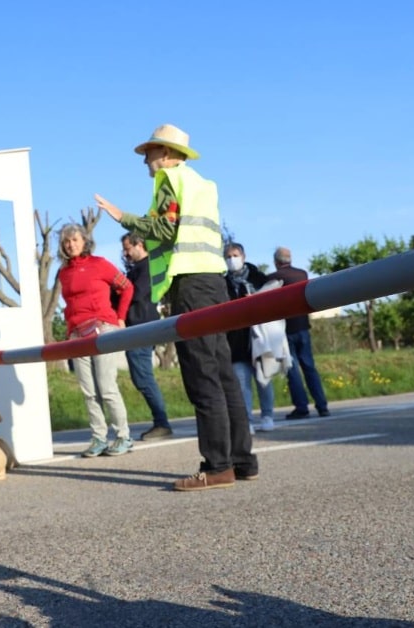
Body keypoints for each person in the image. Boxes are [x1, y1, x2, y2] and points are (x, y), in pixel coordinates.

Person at [96, 124, 257, 490]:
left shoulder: (168, 179)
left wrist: (123, 217)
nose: (146, 162)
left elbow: (165, 231)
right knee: (223, 373)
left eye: (150, 153)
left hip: (189, 283)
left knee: (202, 375)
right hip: (214, 280)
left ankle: (217, 466)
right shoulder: (203, 184)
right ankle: (243, 460)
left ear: (167, 155)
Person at [57, 223, 135, 457]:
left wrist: (120, 318)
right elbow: (70, 305)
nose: (71, 244)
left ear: (84, 241)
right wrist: (68, 331)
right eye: (67, 241)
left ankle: (123, 436)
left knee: (106, 386)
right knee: (88, 391)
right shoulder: (64, 272)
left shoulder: (99, 264)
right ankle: (99, 438)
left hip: (103, 328)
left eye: (75, 240)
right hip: (77, 334)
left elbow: (127, 287)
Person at [120, 233, 173, 441]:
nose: (125, 253)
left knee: (143, 377)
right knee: (140, 376)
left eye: (128, 248)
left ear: (139, 245)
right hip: (136, 328)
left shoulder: (148, 267)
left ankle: (162, 423)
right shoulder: (136, 269)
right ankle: (161, 421)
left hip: (143, 327)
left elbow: (136, 293)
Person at [223, 242, 277, 433]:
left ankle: (267, 415)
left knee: (264, 379)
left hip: (259, 338)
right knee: (242, 383)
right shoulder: (223, 283)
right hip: (236, 342)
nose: (232, 260)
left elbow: (271, 300)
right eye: (228, 256)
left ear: (243, 256)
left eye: (235, 255)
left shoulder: (258, 278)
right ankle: (246, 420)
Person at [270, 247, 329, 418]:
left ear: (276, 261)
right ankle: (322, 405)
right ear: (290, 259)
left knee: (293, 370)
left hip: (286, 330)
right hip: (303, 327)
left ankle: (302, 407)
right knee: (309, 367)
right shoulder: (302, 274)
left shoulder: (274, 278)